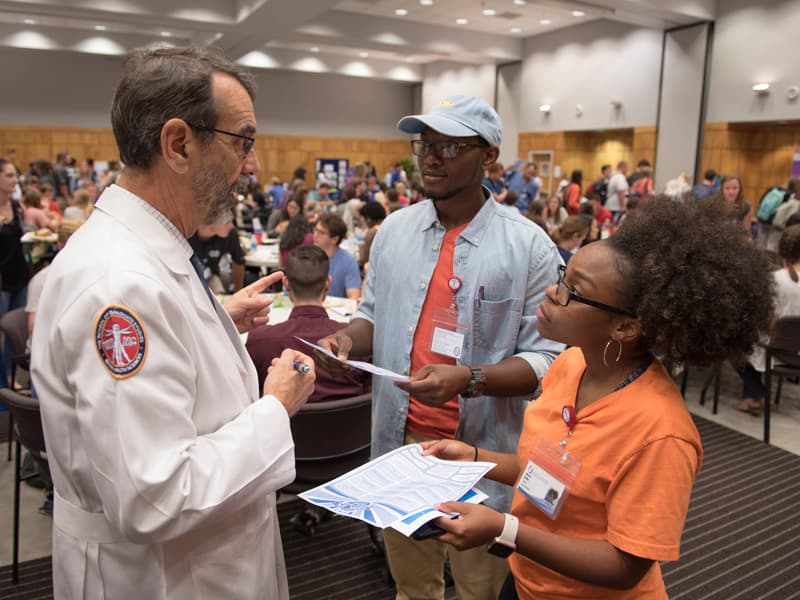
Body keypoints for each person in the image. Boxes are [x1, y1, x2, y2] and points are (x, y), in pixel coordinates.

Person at [30, 46, 317, 600]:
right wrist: (276, 407)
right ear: (180, 144)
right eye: (244, 141)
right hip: (162, 576)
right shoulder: (121, 283)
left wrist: (209, 319)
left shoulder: (145, 253)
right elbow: (155, 495)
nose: (252, 166)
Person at [421, 199, 774, 599]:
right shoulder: (570, 365)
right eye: (562, 277)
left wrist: (504, 528)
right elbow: (549, 472)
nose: (553, 293)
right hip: (526, 583)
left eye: (574, 291)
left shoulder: (661, 434)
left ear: (625, 326)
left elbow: (624, 565)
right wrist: (474, 457)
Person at [318, 95, 563, 600]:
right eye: (424, 144)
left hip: (480, 456)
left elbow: (548, 360)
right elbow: (371, 316)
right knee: (412, 586)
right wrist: (345, 340)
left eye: (449, 146)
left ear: (488, 155)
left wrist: (471, 379)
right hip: (400, 442)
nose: (430, 157)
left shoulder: (529, 246)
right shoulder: (395, 231)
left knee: (478, 589)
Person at [246, 245, 369, 400]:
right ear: (328, 283)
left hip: (284, 423)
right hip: (352, 424)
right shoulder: (356, 342)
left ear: (286, 284)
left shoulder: (259, 341)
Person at [736, 224, 800, 415]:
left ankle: (755, 395)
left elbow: (767, 323)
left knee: (734, 341)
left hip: (777, 351)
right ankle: (755, 395)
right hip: (796, 351)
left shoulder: (776, 280)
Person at [0, 157, 31, 388]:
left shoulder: (16, 206)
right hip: (1, 281)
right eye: (9, 175)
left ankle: (11, 378)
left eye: (14, 175)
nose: (14, 180)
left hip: (19, 277)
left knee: (13, 335)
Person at [189, 221, 246, 294]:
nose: (232, 226)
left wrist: (239, 292)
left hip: (211, 276)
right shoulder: (188, 232)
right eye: (227, 222)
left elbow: (239, 262)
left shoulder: (230, 234)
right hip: (188, 276)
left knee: (218, 297)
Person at [313, 213, 361, 299]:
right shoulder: (306, 258)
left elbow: (354, 296)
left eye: (321, 232)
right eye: (315, 230)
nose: (315, 235)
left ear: (334, 239)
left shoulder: (349, 262)